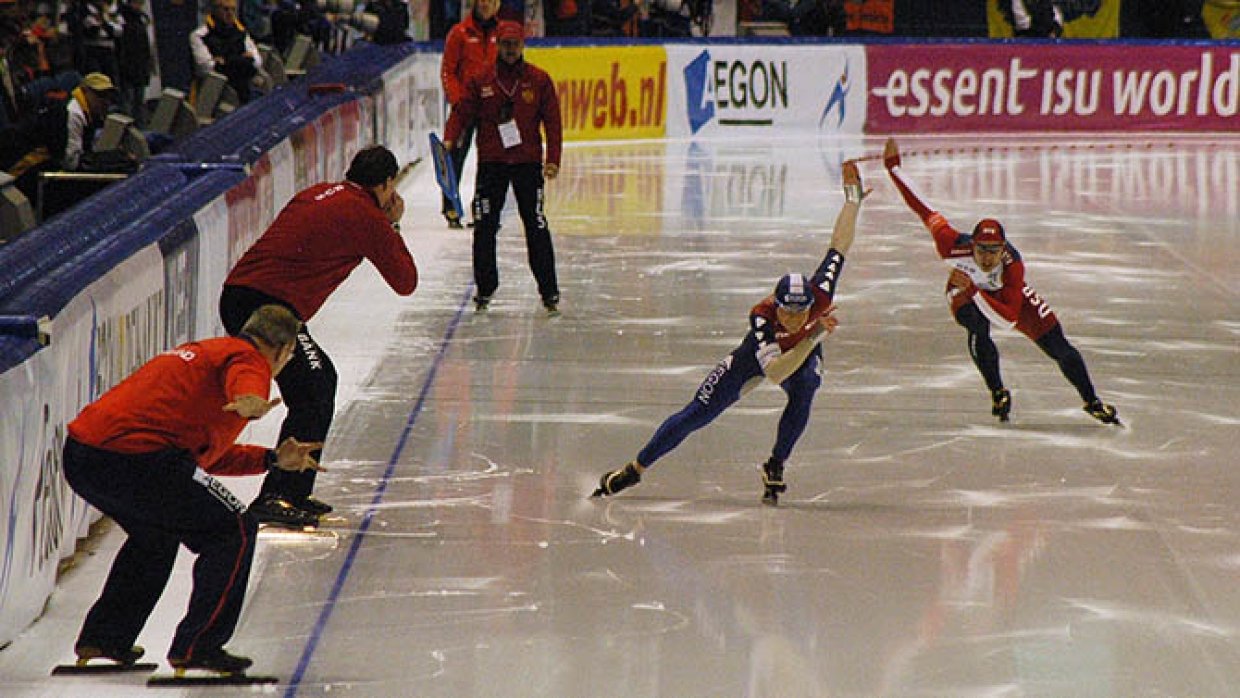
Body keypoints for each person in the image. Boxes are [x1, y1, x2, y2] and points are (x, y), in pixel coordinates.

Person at [63, 305, 323, 673]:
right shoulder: (248, 359)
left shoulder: (208, 354)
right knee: (235, 528)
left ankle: (106, 637)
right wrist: (251, 399)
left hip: (85, 455)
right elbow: (246, 376)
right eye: (290, 356)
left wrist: (271, 460)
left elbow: (206, 460)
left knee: (156, 535)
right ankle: (199, 646)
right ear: (280, 350)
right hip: (139, 458)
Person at [592, 161, 868, 505]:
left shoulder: (821, 292)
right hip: (756, 357)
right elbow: (775, 372)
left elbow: (839, 244)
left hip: (804, 352)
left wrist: (853, 199)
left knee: (806, 387)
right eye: (789, 312)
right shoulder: (762, 319)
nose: (797, 318)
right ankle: (635, 468)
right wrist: (813, 336)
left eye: (803, 312)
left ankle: (776, 464)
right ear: (777, 305)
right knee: (698, 413)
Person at [219, 145, 417, 526]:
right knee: (314, 387)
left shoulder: (319, 192)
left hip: (245, 294)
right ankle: (279, 494)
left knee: (317, 383)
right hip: (266, 305)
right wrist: (392, 224)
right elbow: (405, 282)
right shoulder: (366, 215)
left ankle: (291, 490)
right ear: (387, 184)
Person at [882, 137, 1119, 425]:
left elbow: (1008, 318)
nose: (987, 257)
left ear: (1004, 248)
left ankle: (1091, 401)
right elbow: (923, 207)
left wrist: (976, 290)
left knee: (1058, 344)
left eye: (994, 251)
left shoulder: (1013, 266)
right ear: (973, 246)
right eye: (982, 249)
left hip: (999, 296)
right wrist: (893, 168)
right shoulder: (951, 244)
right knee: (977, 326)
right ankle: (997, 391)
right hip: (964, 292)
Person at [443, 20, 563, 315]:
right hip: (492, 163)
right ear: (498, 45)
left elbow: (553, 122)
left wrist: (553, 160)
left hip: (527, 163)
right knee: (484, 226)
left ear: (523, 45)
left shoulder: (539, 80)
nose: (510, 50)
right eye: (505, 45)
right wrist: (449, 139)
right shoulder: (480, 79)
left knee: (535, 224)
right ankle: (485, 288)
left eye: (515, 45)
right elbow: (462, 111)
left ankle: (549, 290)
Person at [439, 0, 500, 228]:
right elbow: (448, 71)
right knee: (454, 156)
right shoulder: (459, 33)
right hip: (464, 107)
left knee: (491, 161)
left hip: (491, 107)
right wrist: (458, 100)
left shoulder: (502, 32)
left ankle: (481, 208)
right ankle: (451, 208)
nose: (486, 5)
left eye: (491, 1)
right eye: (482, 0)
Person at [189, 0, 262, 104]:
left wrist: (225, 61)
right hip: (214, 93)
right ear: (215, 10)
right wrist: (241, 59)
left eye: (233, 9)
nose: (230, 13)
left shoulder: (241, 33)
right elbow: (206, 68)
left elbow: (257, 61)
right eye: (225, 9)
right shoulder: (199, 35)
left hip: (244, 87)